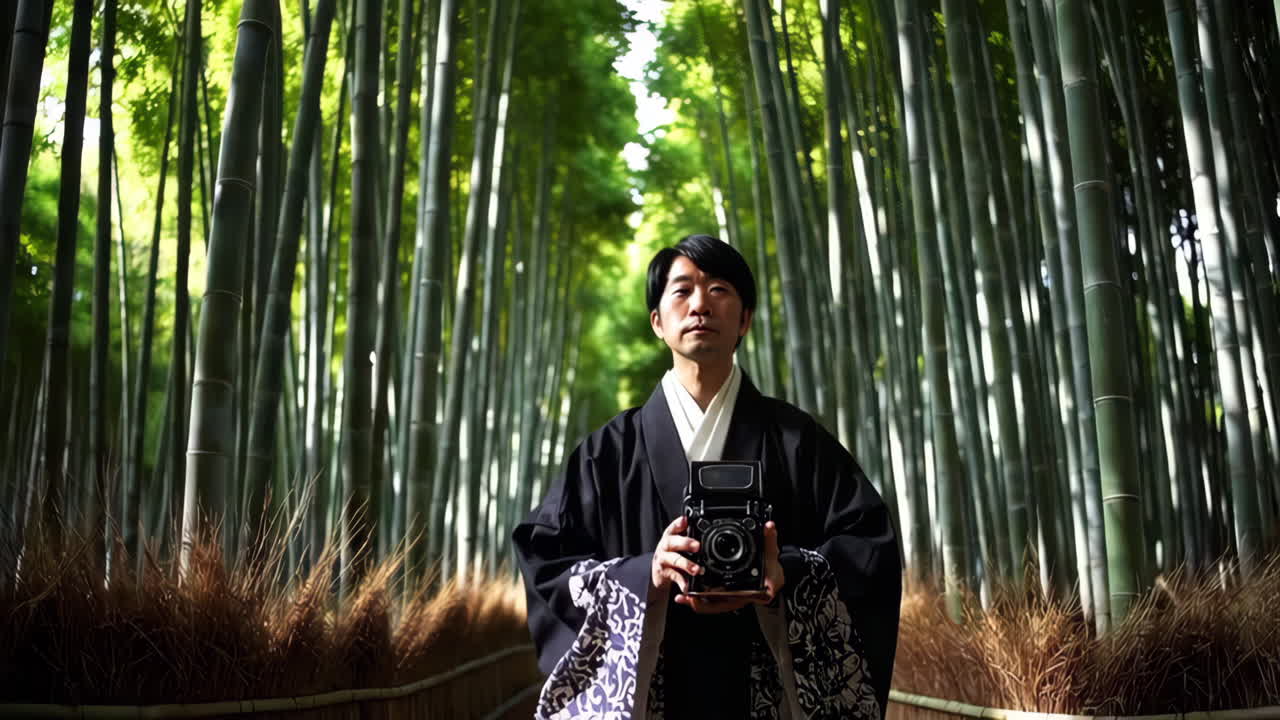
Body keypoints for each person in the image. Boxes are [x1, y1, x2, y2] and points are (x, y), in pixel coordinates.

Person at [514, 234, 901, 720]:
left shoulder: (797, 442)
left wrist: (786, 574)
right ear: (657, 321)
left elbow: (870, 543)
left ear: (744, 320)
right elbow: (546, 556)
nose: (700, 304)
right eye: (682, 290)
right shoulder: (608, 453)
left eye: (719, 289)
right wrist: (644, 578)